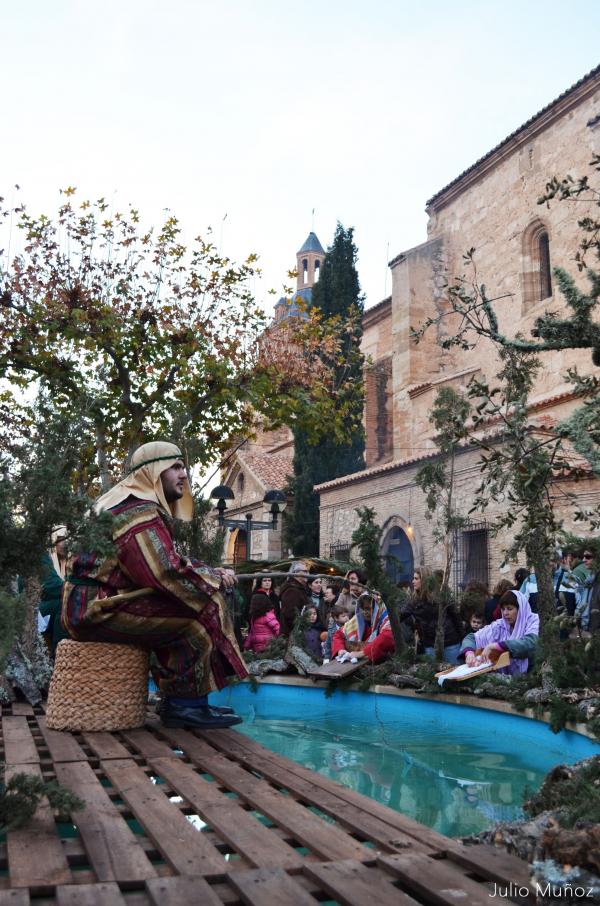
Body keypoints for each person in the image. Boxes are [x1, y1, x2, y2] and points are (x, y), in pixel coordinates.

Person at [63, 441, 246, 730]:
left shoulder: (125, 506)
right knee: (202, 609)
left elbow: (163, 562)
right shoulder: (138, 513)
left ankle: (187, 703)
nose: (183, 474)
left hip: (89, 606)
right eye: (174, 467)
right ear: (152, 472)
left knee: (196, 603)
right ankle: (185, 706)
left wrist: (209, 572)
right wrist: (213, 581)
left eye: (182, 466)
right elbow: (164, 573)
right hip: (95, 611)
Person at [460, 589, 539, 675]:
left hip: (532, 676)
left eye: (509, 609)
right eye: (503, 609)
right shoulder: (499, 625)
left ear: (520, 608)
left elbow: (530, 643)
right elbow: (471, 638)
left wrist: (497, 646)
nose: (505, 613)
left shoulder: (533, 621)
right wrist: (469, 653)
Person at [401, 567, 463, 664]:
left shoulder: (442, 595)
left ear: (425, 580)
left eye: (416, 579)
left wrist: (463, 638)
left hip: (450, 643)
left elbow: (456, 617)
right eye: (413, 578)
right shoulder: (414, 601)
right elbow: (400, 616)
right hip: (430, 645)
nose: (413, 581)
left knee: (456, 674)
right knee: (434, 676)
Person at [332, 592, 395, 664]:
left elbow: (386, 637)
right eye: (362, 609)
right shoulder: (357, 619)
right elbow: (339, 635)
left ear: (377, 608)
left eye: (368, 609)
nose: (365, 612)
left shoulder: (387, 619)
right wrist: (340, 649)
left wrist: (362, 653)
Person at [38, 526, 71, 656]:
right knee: (65, 605)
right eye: (62, 539)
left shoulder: (65, 560)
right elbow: (50, 587)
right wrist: (75, 588)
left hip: (46, 604)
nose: (66, 544)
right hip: (33, 608)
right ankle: (60, 654)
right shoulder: (41, 556)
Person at [279, 561, 310, 636]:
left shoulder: (299, 588)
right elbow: (290, 615)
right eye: (305, 571)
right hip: (294, 633)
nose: (308, 574)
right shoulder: (292, 591)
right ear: (295, 573)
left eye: (308, 571)